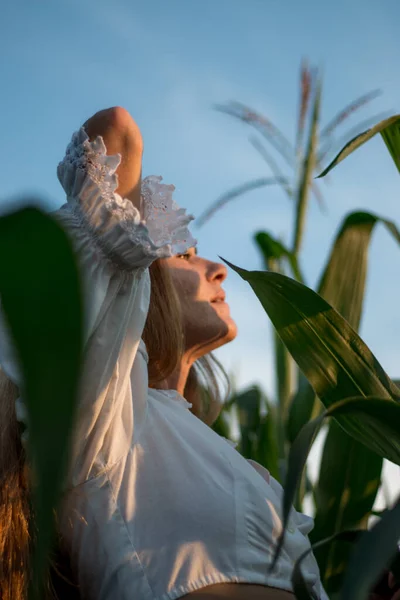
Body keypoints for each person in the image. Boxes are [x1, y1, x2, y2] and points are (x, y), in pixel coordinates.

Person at [3, 105, 390, 600]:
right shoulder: (105, 414)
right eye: (185, 253)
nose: (218, 269)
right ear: (131, 281)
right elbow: (117, 129)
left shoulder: (200, 441)